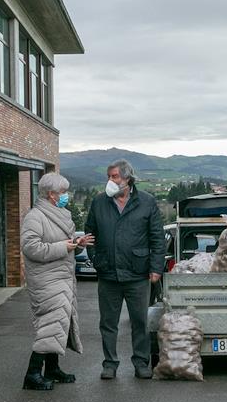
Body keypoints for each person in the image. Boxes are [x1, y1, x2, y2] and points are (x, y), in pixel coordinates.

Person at [85, 159, 165, 380]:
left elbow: (157, 238)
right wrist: (95, 259)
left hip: (138, 274)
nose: (110, 181)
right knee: (108, 323)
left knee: (140, 321)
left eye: (114, 177)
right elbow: (90, 234)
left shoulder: (147, 202)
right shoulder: (99, 202)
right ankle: (109, 364)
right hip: (108, 274)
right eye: (108, 177)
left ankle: (141, 363)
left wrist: (156, 268)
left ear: (127, 179)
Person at [20, 173, 93, 390]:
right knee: (50, 324)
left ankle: (52, 368)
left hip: (61, 277)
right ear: (51, 194)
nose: (65, 196)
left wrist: (76, 243)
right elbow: (31, 247)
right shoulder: (35, 216)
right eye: (62, 192)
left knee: (60, 323)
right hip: (46, 280)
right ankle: (32, 374)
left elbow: (63, 243)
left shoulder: (59, 214)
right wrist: (65, 246)